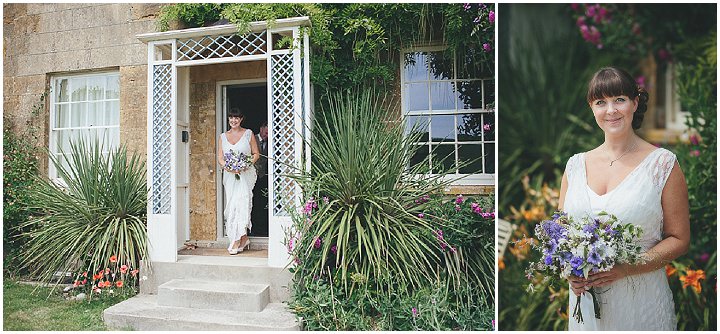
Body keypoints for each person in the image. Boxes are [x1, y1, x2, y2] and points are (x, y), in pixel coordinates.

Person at [559, 66, 690, 330]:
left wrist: (626, 268)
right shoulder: (574, 167)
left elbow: (680, 239)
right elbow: (561, 234)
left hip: (640, 303)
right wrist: (569, 273)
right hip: (585, 307)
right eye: (601, 102)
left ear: (635, 103)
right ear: (591, 108)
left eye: (619, 99)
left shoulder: (662, 164)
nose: (611, 110)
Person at [217, 108, 260, 255]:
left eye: (236, 118)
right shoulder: (223, 136)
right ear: (228, 119)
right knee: (232, 206)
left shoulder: (248, 134)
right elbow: (220, 158)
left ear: (241, 119)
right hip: (230, 176)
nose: (233, 120)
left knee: (242, 204)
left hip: (245, 174)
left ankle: (235, 240)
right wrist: (228, 167)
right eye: (231, 118)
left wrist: (245, 165)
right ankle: (243, 238)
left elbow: (256, 154)